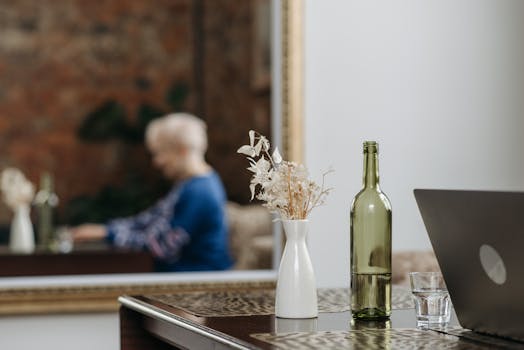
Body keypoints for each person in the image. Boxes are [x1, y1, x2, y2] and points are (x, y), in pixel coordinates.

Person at [71, 113, 233, 272]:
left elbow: (161, 245)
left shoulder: (200, 191)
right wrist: (105, 230)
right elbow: (148, 220)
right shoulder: (188, 185)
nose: (156, 162)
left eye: (161, 153)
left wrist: (108, 234)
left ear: (182, 151)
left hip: (199, 280)